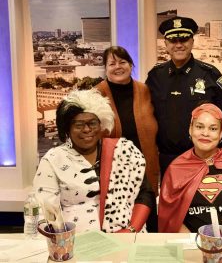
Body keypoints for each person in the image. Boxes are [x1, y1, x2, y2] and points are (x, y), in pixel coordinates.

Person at [33, 89, 154, 233]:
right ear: (68, 129)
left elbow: (145, 194)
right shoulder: (53, 159)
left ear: (101, 124)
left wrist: (130, 230)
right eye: (78, 125)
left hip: (127, 237)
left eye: (92, 123)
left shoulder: (124, 151)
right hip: (75, 243)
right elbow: (46, 209)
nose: (86, 129)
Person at [146, 16, 222, 179]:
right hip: (166, 159)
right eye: (173, 40)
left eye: (184, 39)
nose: (179, 45)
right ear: (166, 44)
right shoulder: (155, 76)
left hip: (202, 159)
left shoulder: (209, 74)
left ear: (192, 42)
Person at [158, 103, 222, 233]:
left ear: (221, 134)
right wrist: (196, 246)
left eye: (213, 129)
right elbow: (171, 219)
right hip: (192, 246)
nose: (205, 133)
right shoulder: (176, 169)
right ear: (190, 130)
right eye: (199, 127)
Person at [95, 46, 159, 232]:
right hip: (115, 171)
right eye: (112, 63)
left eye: (122, 62)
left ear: (131, 65)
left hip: (147, 167)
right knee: (119, 222)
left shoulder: (144, 90)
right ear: (105, 68)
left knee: (149, 217)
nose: (118, 67)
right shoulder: (96, 94)